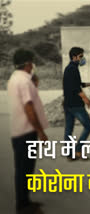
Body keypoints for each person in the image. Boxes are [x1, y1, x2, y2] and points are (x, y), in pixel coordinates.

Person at [7, 49, 48, 214]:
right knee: (25, 170)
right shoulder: (23, 82)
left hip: (19, 131)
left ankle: (24, 201)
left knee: (23, 170)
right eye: (32, 61)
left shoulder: (16, 79)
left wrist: (34, 83)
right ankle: (23, 206)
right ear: (28, 63)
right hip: (26, 132)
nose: (33, 65)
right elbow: (29, 108)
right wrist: (40, 131)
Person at [62, 47, 90, 160]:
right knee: (88, 126)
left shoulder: (70, 68)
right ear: (74, 57)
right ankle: (78, 150)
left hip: (68, 104)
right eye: (81, 56)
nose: (82, 59)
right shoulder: (72, 69)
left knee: (69, 129)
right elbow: (76, 88)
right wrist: (85, 99)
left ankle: (69, 154)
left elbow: (78, 84)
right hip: (75, 105)